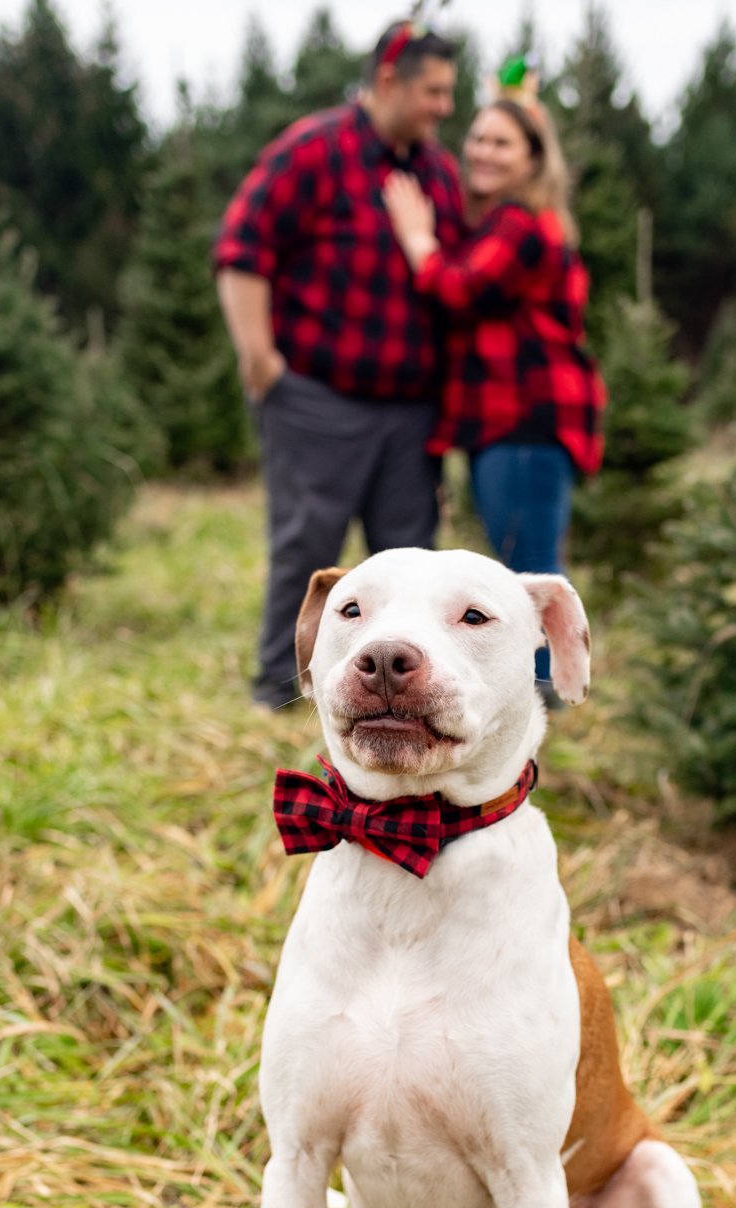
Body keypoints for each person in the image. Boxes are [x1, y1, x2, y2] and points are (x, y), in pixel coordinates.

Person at [215, 22, 465, 710]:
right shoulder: (314, 150)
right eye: (432, 91)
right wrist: (259, 361)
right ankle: (281, 688)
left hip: (410, 410)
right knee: (306, 550)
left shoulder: (437, 172)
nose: (444, 107)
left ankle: (402, 696)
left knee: (410, 561)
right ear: (390, 79)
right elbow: (241, 249)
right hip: (317, 399)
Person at [383, 64, 606, 698]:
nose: (482, 150)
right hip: (503, 421)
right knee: (517, 561)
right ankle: (535, 697)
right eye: (477, 137)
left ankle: (544, 705)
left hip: (527, 418)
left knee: (527, 573)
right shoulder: (502, 223)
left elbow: (460, 290)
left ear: (535, 158)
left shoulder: (523, 223)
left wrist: (418, 240)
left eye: (502, 142)